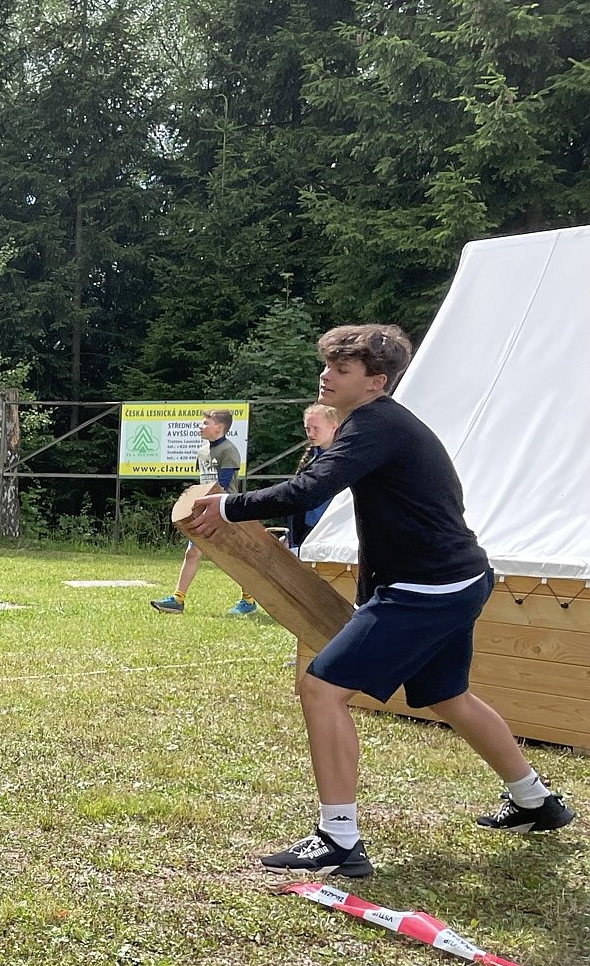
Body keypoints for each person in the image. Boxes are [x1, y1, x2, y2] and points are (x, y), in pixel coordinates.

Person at [184, 323, 573, 878]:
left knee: (321, 689)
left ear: (376, 381)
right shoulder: (377, 423)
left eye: (342, 369)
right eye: (327, 365)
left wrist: (227, 507)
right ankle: (536, 801)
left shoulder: (375, 425)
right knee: (449, 696)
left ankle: (338, 839)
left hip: (428, 589)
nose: (326, 376)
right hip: (455, 579)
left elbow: (310, 489)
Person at [151, 409, 257, 616]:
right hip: (205, 510)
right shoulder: (202, 451)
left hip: (225, 510)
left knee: (237, 557)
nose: (200, 426)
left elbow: (222, 485)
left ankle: (248, 601)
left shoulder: (228, 450)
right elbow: (203, 483)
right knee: (192, 553)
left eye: (206, 423)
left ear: (220, 427)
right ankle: (177, 600)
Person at [287, 403, 338, 551]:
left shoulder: (341, 459)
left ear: (333, 427)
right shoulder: (311, 457)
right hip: (305, 528)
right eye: (307, 429)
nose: (311, 434)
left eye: (316, 428)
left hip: (327, 530)